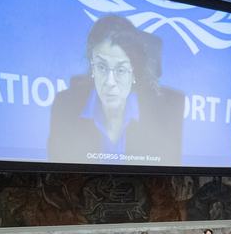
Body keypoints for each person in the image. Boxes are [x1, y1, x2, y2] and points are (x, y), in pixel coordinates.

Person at [46, 15, 183, 165]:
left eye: (121, 69)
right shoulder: (65, 107)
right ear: (92, 67)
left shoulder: (164, 114)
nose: (110, 82)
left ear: (134, 72)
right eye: (102, 67)